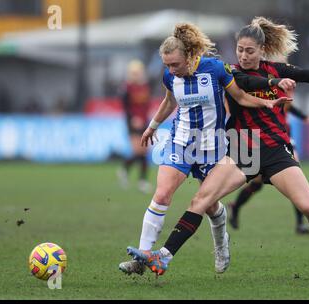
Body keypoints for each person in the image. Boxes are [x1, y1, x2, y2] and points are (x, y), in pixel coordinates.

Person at [129, 17, 309, 280]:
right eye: (239, 50)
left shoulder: (278, 69)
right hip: (241, 151)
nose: (243, 56)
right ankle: (164, 255)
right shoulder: (231, 71)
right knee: (201, 200)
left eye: (249, 51)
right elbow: (247, 84)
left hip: (274, 150)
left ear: (262, 50)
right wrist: (273, 83)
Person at [119, 22, 291, 276]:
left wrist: (266, 104)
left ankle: (221, 244)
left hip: (212, 145)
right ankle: (143, 258)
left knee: (209, 204)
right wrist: (153, 126)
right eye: (167, 65)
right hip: (181, 140)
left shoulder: (216, 68)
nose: (171, 70)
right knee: (163, 192)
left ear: (189, 56)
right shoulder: (170, 76)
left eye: (175, 64)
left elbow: (241, 97)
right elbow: (169, 102)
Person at [227, 104, 309, 234]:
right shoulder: (259, 93)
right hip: (266, 139)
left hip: (283, 138)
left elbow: (287, 103)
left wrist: (302, 115)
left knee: (294, 181)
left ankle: (300, 223)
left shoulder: (279, 89)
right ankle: (235, 207)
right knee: (256, 183)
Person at [117, 60, 152, 193]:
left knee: (145, 152)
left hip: (145, 121)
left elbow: (145, 105)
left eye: (138, 73)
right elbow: (126, 108)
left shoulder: (145, 86)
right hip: (133, 122)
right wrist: (132, 119)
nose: (136, 75)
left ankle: (140, 179)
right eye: (134, 73)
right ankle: (127, 170)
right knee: (138, 150)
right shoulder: (126, 88)